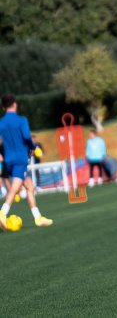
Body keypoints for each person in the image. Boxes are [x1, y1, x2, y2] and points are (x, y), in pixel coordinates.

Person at [0, 94, 52, 228]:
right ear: (15, 104)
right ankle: (2, 212)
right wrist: (33, 148)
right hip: (19, 160)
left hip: (8, 160)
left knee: (30, 187)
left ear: (3, 107)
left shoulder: (1, 122)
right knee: (15, 187)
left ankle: (38, 217)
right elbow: (27, 137)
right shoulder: (21, 120)